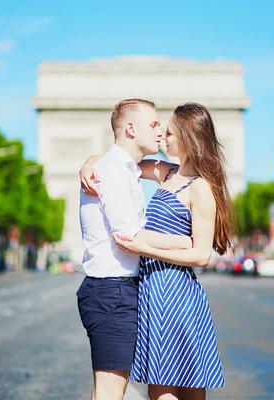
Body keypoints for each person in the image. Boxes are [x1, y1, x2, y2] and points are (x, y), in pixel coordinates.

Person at [80, 102, 232, 400]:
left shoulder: (200, 188)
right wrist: (89, 163)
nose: (162, 135)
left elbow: (202, 255)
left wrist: (144, 247)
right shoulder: (165, 173)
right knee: (160, 390)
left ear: (187, 138)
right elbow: (120, 162)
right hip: (153, 291)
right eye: (159, 129)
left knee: (179, 390)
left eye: (169, 131)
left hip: (175, 293)